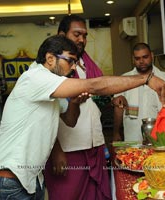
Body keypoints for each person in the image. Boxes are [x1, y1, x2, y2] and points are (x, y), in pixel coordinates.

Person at [0, 35, 165, 199]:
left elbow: (70, 120)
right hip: (7, 179)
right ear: (50, 59)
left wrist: (74, 103)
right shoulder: (35, 77)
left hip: (30, 180)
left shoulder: (52, 88)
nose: (72, 68)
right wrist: (146, 78)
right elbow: (94, 85)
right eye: (69, 61)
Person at [44, 15, 111, 200]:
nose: (82, 39)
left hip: (92, 143)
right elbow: (45, 113)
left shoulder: (82, 63)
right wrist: (56, 150)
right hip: (68, 148)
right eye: (76, 34)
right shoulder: (52, 68)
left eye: (85, 35)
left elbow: (100, 85)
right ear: (61, 35)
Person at [112, 42, 165, 142]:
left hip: (160, 139)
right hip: (133, 139)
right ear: (133, 59)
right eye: (137, 58)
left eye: (145, 57)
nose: (141, 61)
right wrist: (116, 133)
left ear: (152, 56)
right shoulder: (125, 80)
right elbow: (118, 108)